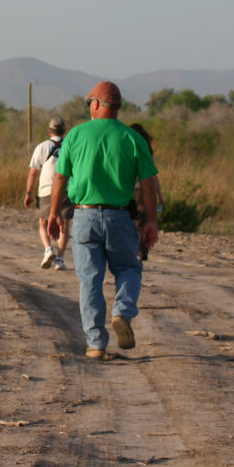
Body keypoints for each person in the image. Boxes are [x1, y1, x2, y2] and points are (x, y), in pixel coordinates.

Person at [48, 81, 159, 361]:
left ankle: (96, 344)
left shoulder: (75, 135)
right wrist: (151, 221)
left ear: (96, 104)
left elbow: (60, 178)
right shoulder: (133, 139)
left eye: (89, 103)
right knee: (129, 270)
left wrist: (53, 214)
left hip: (84, 215)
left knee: (90, 280)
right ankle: (122, 312)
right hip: (120, 216)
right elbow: (148, 184)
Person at [24, 117, 72, 270]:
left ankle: (47, 249)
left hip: (46, 190)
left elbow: (33, 173)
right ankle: (60, 259)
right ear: (64, 130)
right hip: (66, 190)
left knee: (43, 223)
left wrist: (28, 193)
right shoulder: (71, 146)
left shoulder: (42, 147)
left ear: (49, 130)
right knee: (64, 225)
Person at [129, 124, 165, 260]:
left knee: (130, 221)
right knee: (142, 222)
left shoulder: (124, 149)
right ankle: (140, 251)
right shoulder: (146, 152)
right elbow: (152, 177)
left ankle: (132, 250)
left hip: (128, 190)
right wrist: (159, 194)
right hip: (143, 191)